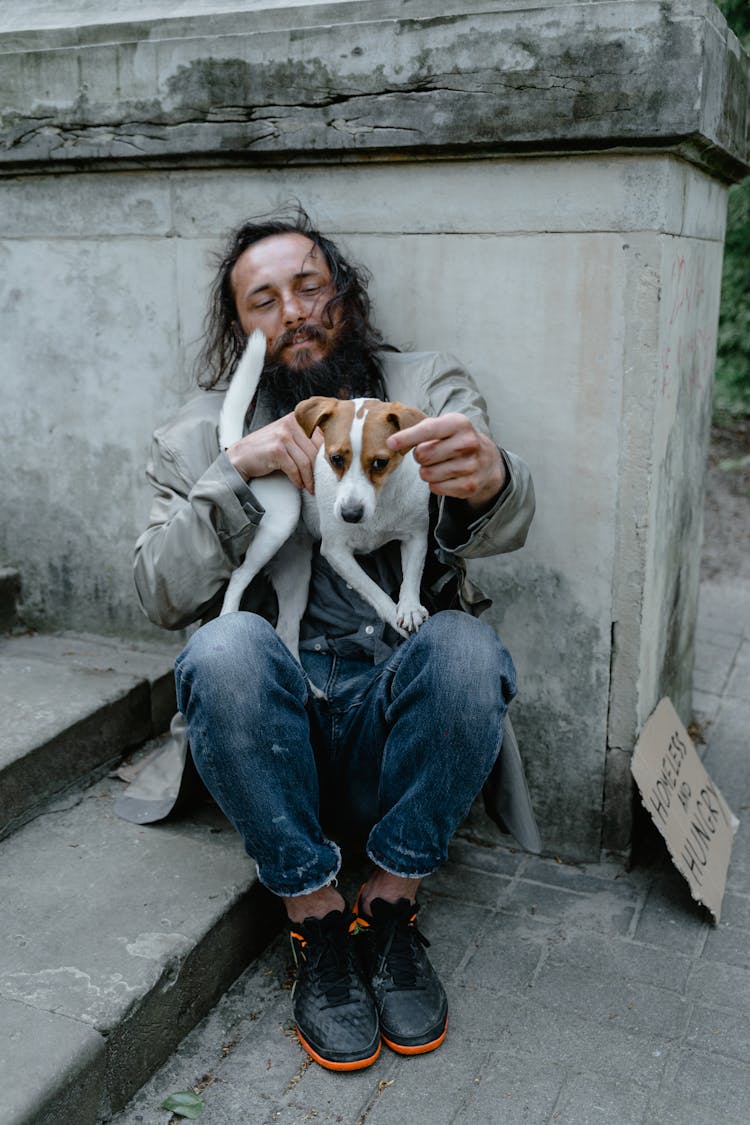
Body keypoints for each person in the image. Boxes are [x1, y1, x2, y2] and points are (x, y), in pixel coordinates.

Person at [131, 208, 538, 1072]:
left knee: (466, 648)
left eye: (310, 286)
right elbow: (158, 592)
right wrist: (233, 475)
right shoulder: (199, 433)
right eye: (263, 299)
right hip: (269, 733)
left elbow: (497, 511)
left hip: (393, 718)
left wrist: (491, 478)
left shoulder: (425, 386)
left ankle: (390, 907)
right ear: (237, 326)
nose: (294, 312)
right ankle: (316, 920)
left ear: (343, 295)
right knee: (222, 648)